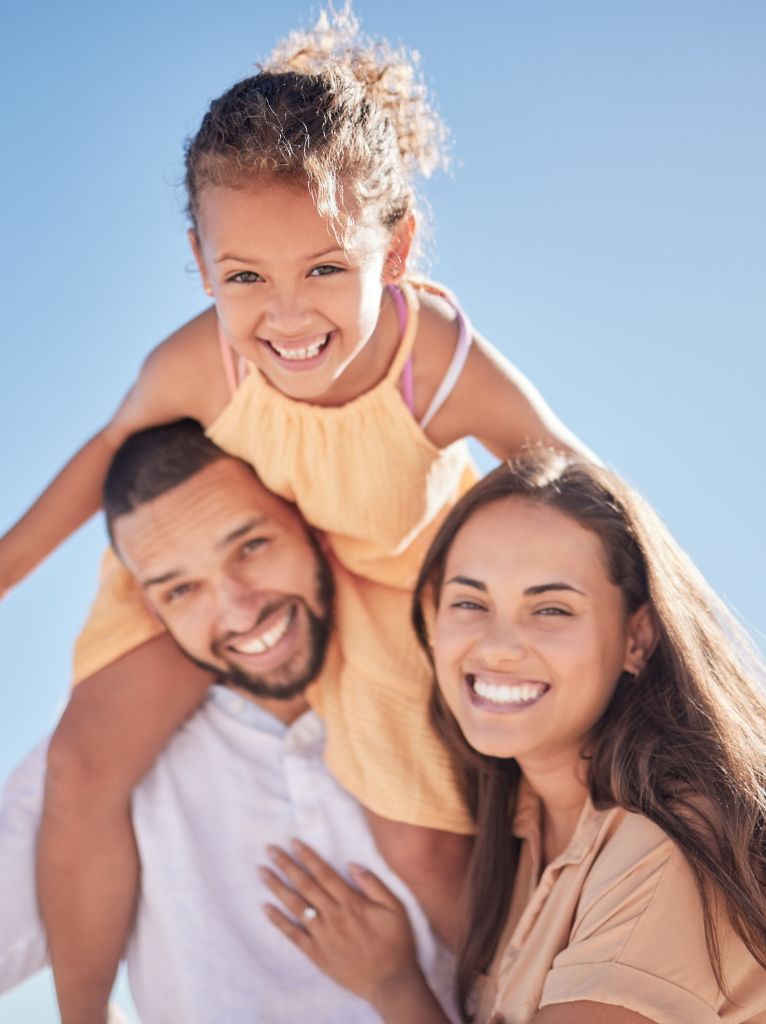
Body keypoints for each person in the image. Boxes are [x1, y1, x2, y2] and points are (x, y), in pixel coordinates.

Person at [0, 8, 590, 1020]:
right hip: (235, 553)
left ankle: (511, 1000)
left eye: (325, 268)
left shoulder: (435, 361)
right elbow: (103, 454)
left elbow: (575, 485)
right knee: (85, 758)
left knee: (416, 834)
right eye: (245, 277)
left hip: (389, 583)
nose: (285, 315)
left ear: (394, 248)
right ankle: (82, 1013)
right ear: (199, 263)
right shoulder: (203, 360)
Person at [260, 450, 766, 1023]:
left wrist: (396, 988)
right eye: (470, 602)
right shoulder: (525, 830)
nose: (497, 645)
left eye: (551, 609)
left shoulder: (670, 843)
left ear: (637, 637)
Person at [0, 419, 454, 1023]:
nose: (238, 611)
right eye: (181, 590)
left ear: (316, 531)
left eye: (252, 547)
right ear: (152, 610)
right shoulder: (94, 764)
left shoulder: (454, 703)